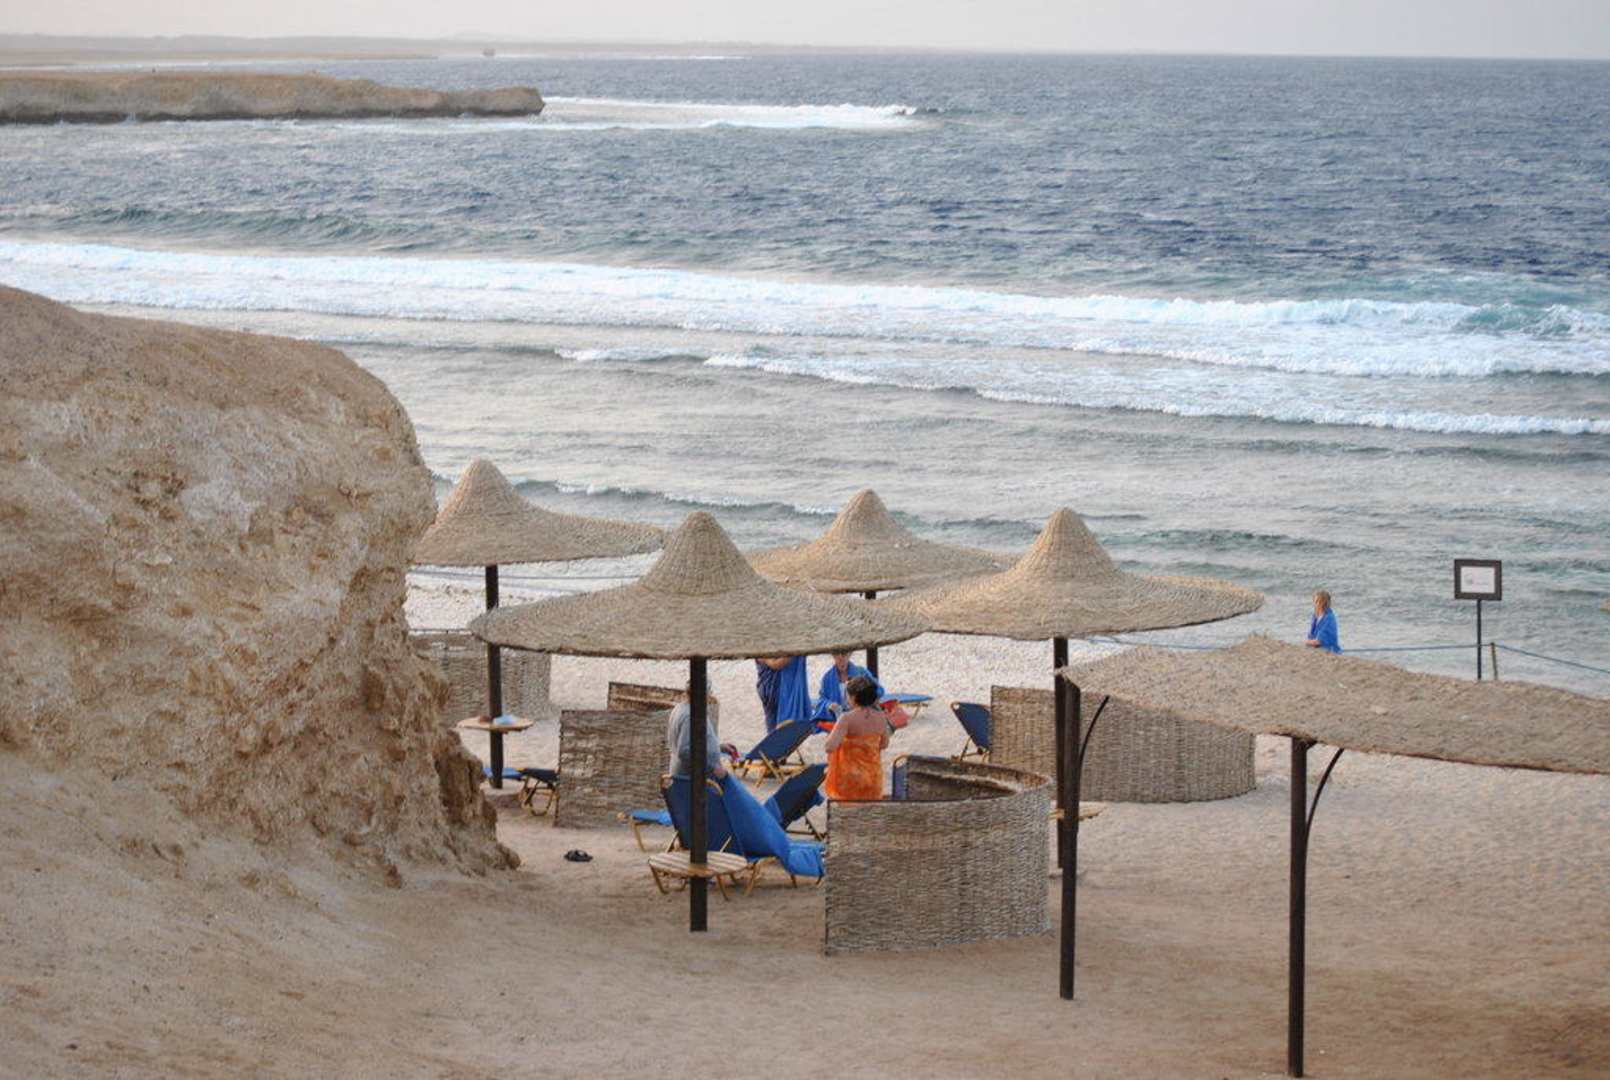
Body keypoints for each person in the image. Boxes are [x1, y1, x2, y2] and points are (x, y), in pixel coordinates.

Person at [823, 676, 890, 801]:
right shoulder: (881, 717)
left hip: (850, 779)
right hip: (873, 777)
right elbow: (884, 744)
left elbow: (829, 747)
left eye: (847, 696)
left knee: (849, 812)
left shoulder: (847, 718)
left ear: (854, 697)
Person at [667, 688, 727, 781]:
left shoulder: (681, 708)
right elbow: (684, 751)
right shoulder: (690, 716)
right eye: (709, 693)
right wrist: (712, 767)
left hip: (688, 774)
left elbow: (694, 742)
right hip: (692, 778)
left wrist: (719, 747)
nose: (709, 697)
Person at [812, 651, 884, 724]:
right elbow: (821, 700)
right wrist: (829, 705)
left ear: (850, 654)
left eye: (844, 653)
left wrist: (864, 700)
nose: (840, 658)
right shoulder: (827, 678)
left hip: (862, 717)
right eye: (837, 654)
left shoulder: (861, 672)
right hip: (837, 719)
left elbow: (879, 690)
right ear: (833, 655)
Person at [754, 655, 810, 734]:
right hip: (771, 689)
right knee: (775, 725)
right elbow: (775, 664)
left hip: (777, 690)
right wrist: (795, 651)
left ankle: (778, 738)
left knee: (777, 726)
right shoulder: (761, 651)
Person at [1305, 590, 1342, 654]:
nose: (1314, 604)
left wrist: (1306, 642)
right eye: (1314, 601)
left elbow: (1318, 641)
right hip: (1316, 648)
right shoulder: (1315, 616)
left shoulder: (1329, 618)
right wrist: (1309, 642)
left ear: (1323, 603)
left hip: (1331, 649)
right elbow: (1310, 636)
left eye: (1317, 601)